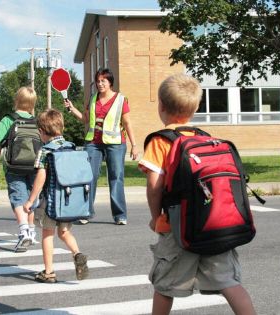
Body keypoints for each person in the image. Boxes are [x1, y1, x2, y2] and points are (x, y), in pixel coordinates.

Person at [138, 74, 256, 315]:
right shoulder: (206, 138)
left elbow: (154, 187)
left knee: (164, 285)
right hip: (213, 224)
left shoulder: (160, 142)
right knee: (229, 282)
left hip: (177, 226)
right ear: (196, 107)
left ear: (161, 105)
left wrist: (155, 217)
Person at [64, 68, 138, 225]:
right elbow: (85, 119)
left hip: (116, 144)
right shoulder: (92, 99)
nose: (100, 83)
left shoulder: (120, 100)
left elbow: (127, 123)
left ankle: (120, 215)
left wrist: (134, 145)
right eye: (98, 81)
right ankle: (86, 213)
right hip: (93, 143)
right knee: (89, 177)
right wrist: (72, 108)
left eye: (103, 80)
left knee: (116, 177)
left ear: (110, 82)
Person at [22, 109, 89, 283]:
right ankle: (77, 253)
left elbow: (41, 177)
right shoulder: (71, 147)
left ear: (42, 131)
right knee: (65, 232)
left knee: (47, 234)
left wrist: (30, 200)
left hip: (50, 202)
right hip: (68, 200)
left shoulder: (45, 151)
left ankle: (49, 272)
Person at [0, 86, 39, 252]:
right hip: (35, 166)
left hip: (14, 166)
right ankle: (32, 231)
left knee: (17, 197)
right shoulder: (37, 121)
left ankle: (24, 230)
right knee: (31, 198)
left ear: (16, 100)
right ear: (33, 103)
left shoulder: (8, 119)